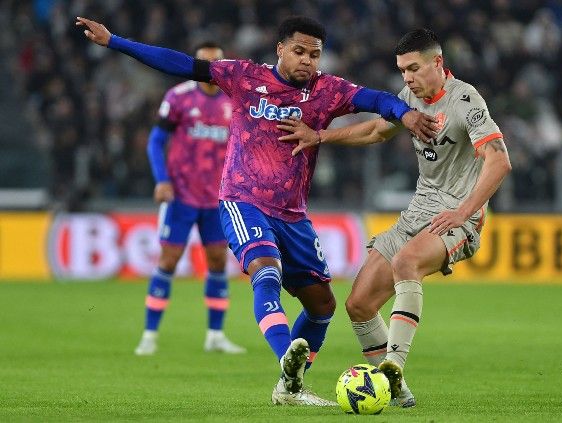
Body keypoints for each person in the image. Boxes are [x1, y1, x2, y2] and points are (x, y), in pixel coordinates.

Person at [76, 16, 437, 406]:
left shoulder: (327, 90)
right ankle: (286, 359)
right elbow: (179, 63)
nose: (307, 61)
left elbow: (376, 99)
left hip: (293, 214)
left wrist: (404, 113)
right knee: (266, 269)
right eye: (299, 51)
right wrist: (116, 41)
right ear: (280, 49)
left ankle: (289, 388)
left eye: (315, 54)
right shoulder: (244, 76)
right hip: (242, 200)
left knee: (323, 306)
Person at [278, 28, 512, 406]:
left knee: (407, 262)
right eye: (402, 71)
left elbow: (499, 160)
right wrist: (320, 136)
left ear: (438, 62)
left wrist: (465, 211)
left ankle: (392, 365)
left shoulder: (466, 100)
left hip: (457, 217)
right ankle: (398, 393)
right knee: (359, 304)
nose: (407, 78)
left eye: (414, 69)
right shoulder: (409, 98)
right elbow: (374, 130)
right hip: (417, 211)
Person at [134, 42, 246, 357]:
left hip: (219, 198)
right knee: (168, 261)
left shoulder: (234, 98)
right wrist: (162, 180)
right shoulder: (179, 97)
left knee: (216, 262)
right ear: (195, 64)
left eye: (218, 62)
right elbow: (156, 141)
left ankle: (215, 335)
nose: (213, 68)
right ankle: (149, 335)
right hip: (181, 194)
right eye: (206, 62)